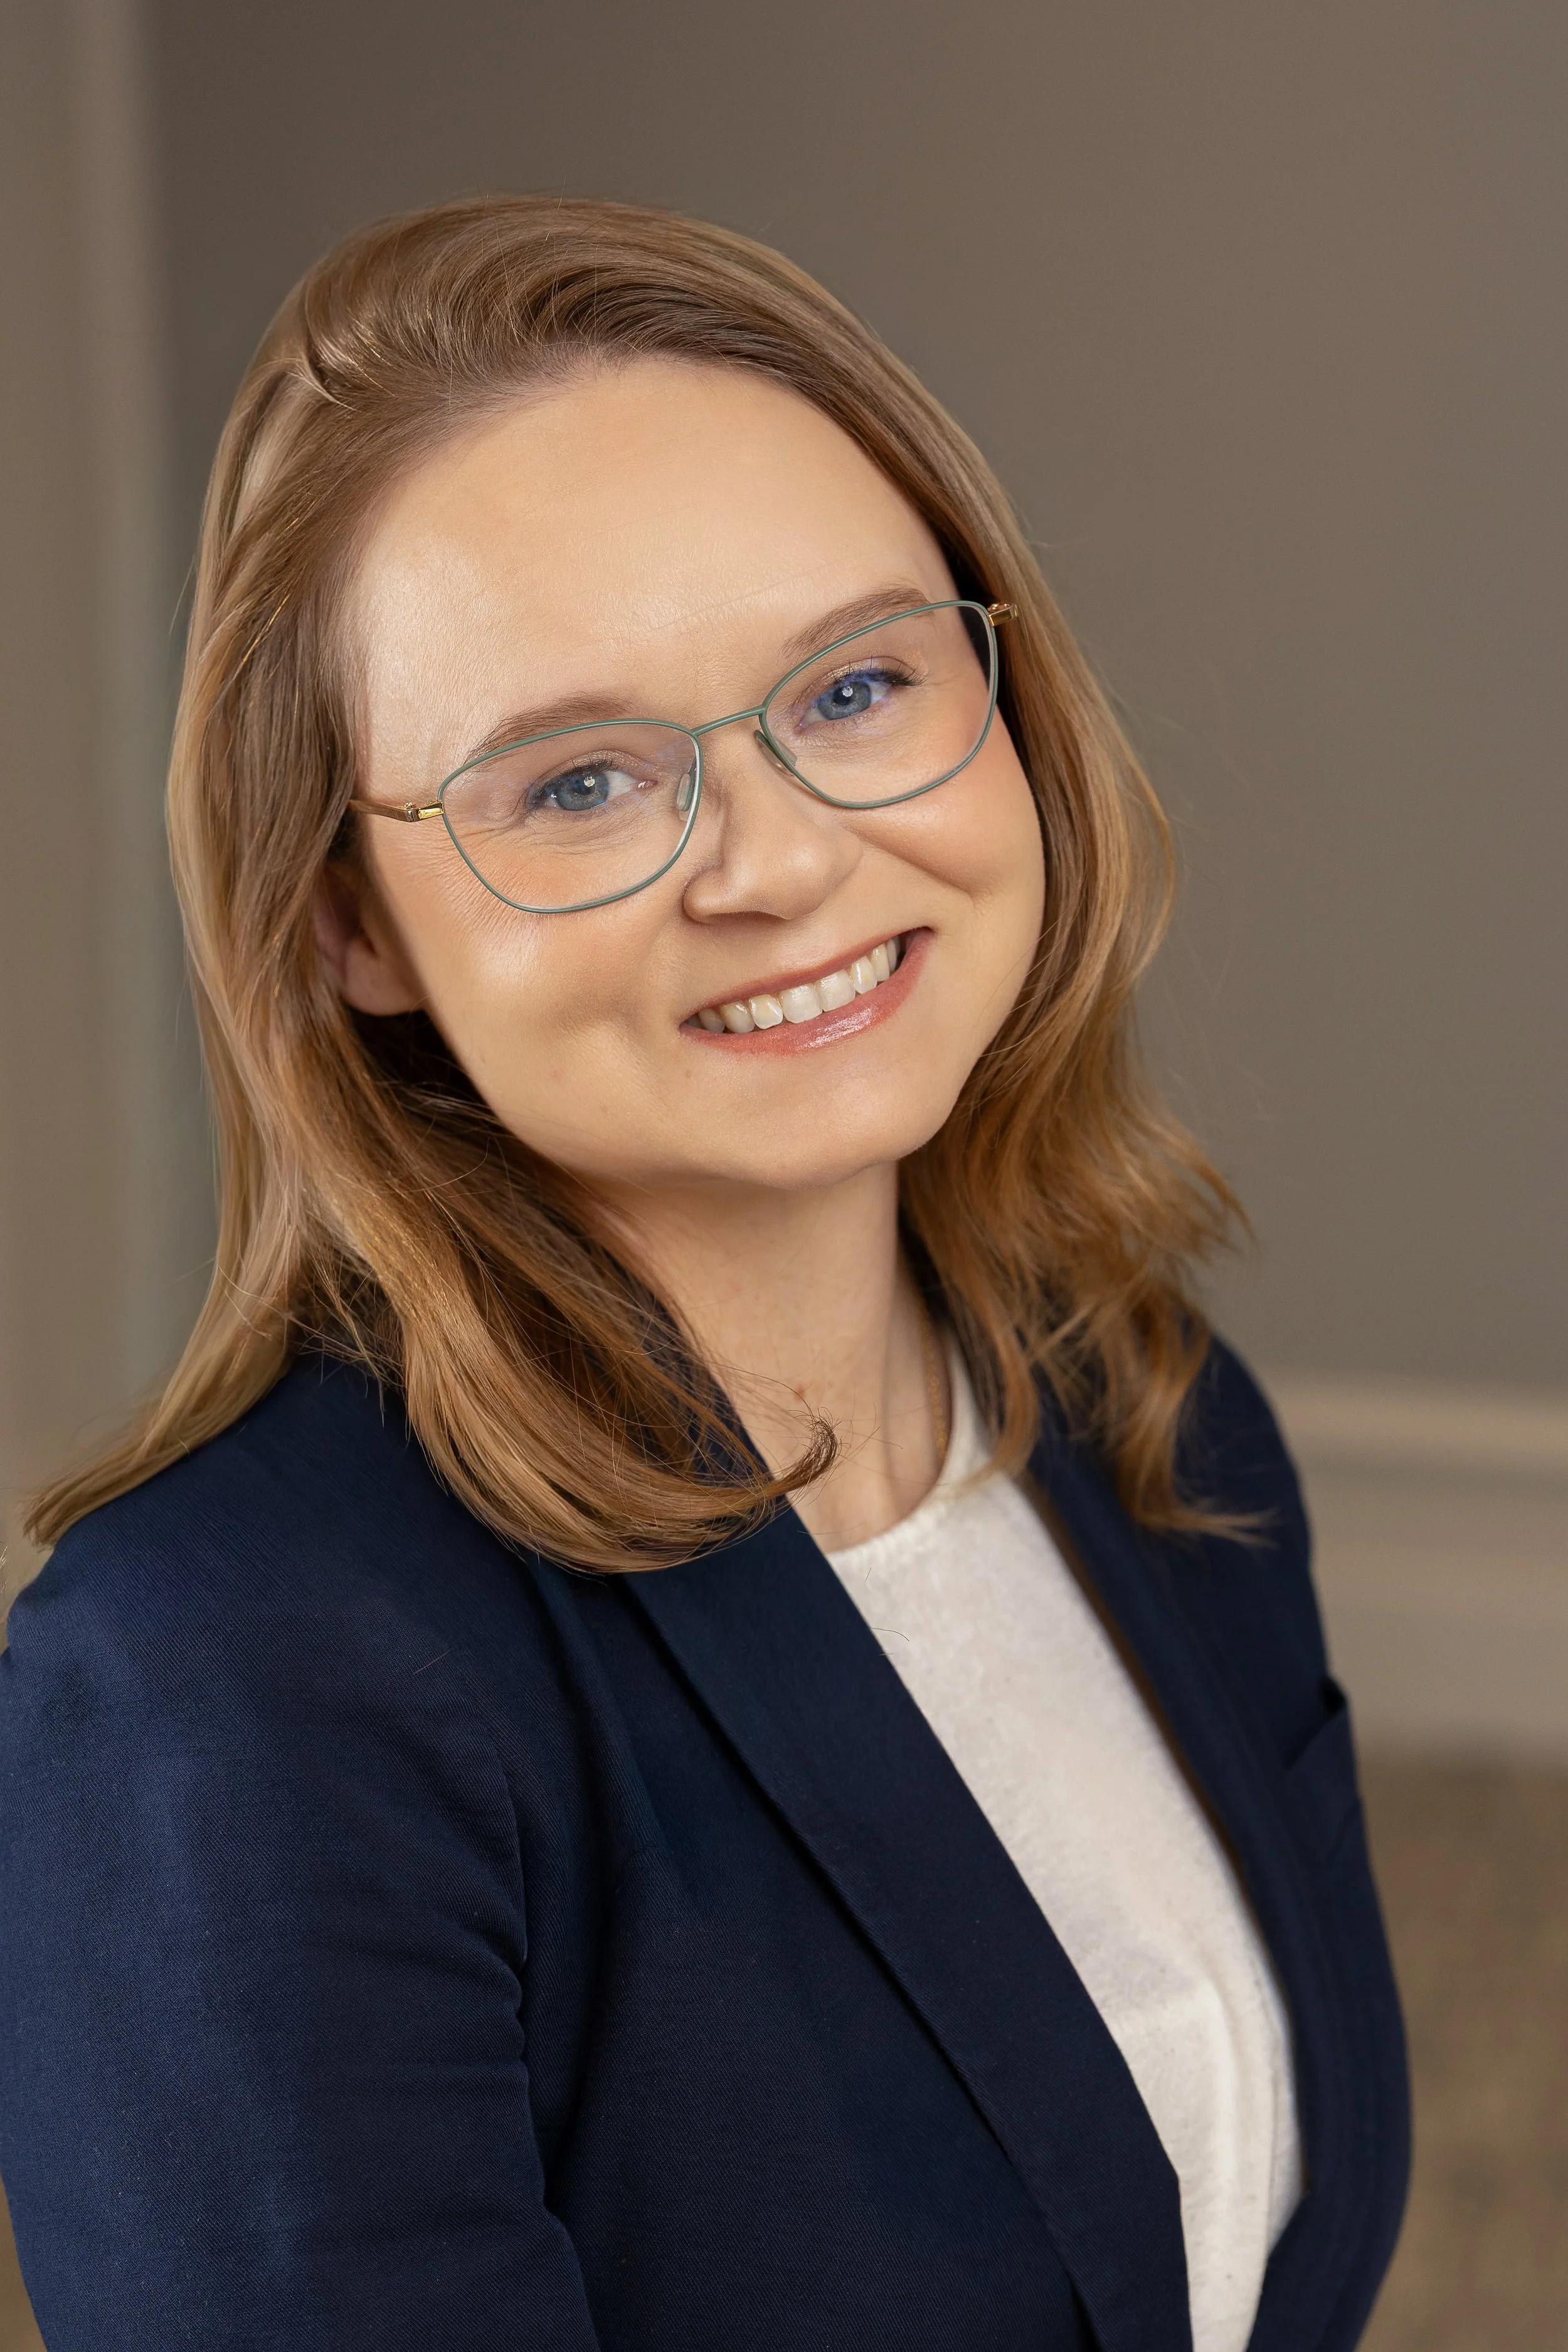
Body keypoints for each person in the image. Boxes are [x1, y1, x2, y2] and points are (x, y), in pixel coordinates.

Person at [0, 197, 1407, 2352]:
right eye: (576, 781)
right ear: (344, 926)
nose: (778, 859)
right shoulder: (225, 1680)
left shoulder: (1138, 1403)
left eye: (853, 684)